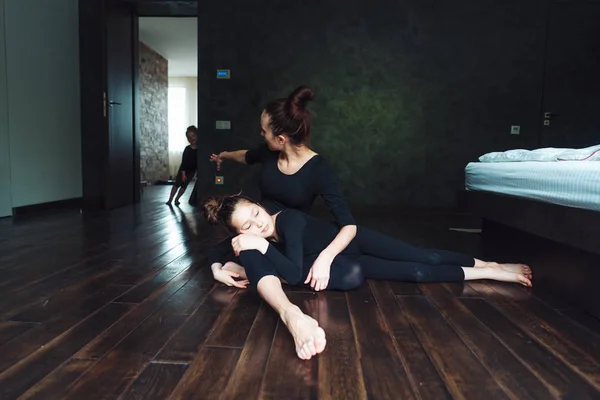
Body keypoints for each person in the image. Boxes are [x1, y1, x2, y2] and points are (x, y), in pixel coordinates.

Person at [202, 193, 532, 360]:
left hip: (353, 244)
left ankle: (490, 264)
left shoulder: (286, 221)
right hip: (346, 267)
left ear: (260, 206)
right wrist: (219, 268)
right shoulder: (252, 239)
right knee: (415, 273)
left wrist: (258, 244)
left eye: (256, 214)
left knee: (422, 255)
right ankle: (482, 275)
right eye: (246, 227)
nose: (257, 225)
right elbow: (216, 252)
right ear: (237, 232)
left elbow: (291, 272)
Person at [208, 86, 357, 291]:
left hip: (288, 236)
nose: (261, 134)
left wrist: (326, 257)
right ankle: (243, 269)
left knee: (350, 274)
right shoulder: (269, 152)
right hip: (260, 227)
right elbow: (246, 155)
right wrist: (223, 156)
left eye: (264, 131)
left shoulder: (318, 168)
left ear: (281, 139)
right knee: (224, 250)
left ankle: (248, 271)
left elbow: (347, 223)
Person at [167, 125, 198, 206]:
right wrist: (183, 174)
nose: (192, 138)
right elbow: (184, 162)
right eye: (189, 137)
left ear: (197, 135)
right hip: (183, 170)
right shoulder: (187, 149)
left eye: (193, 136)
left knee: (184, 186)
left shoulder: (200, 149)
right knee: (177, 184)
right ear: (187, 139)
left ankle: (177, 199)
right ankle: (170, 199)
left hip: (191, 171)